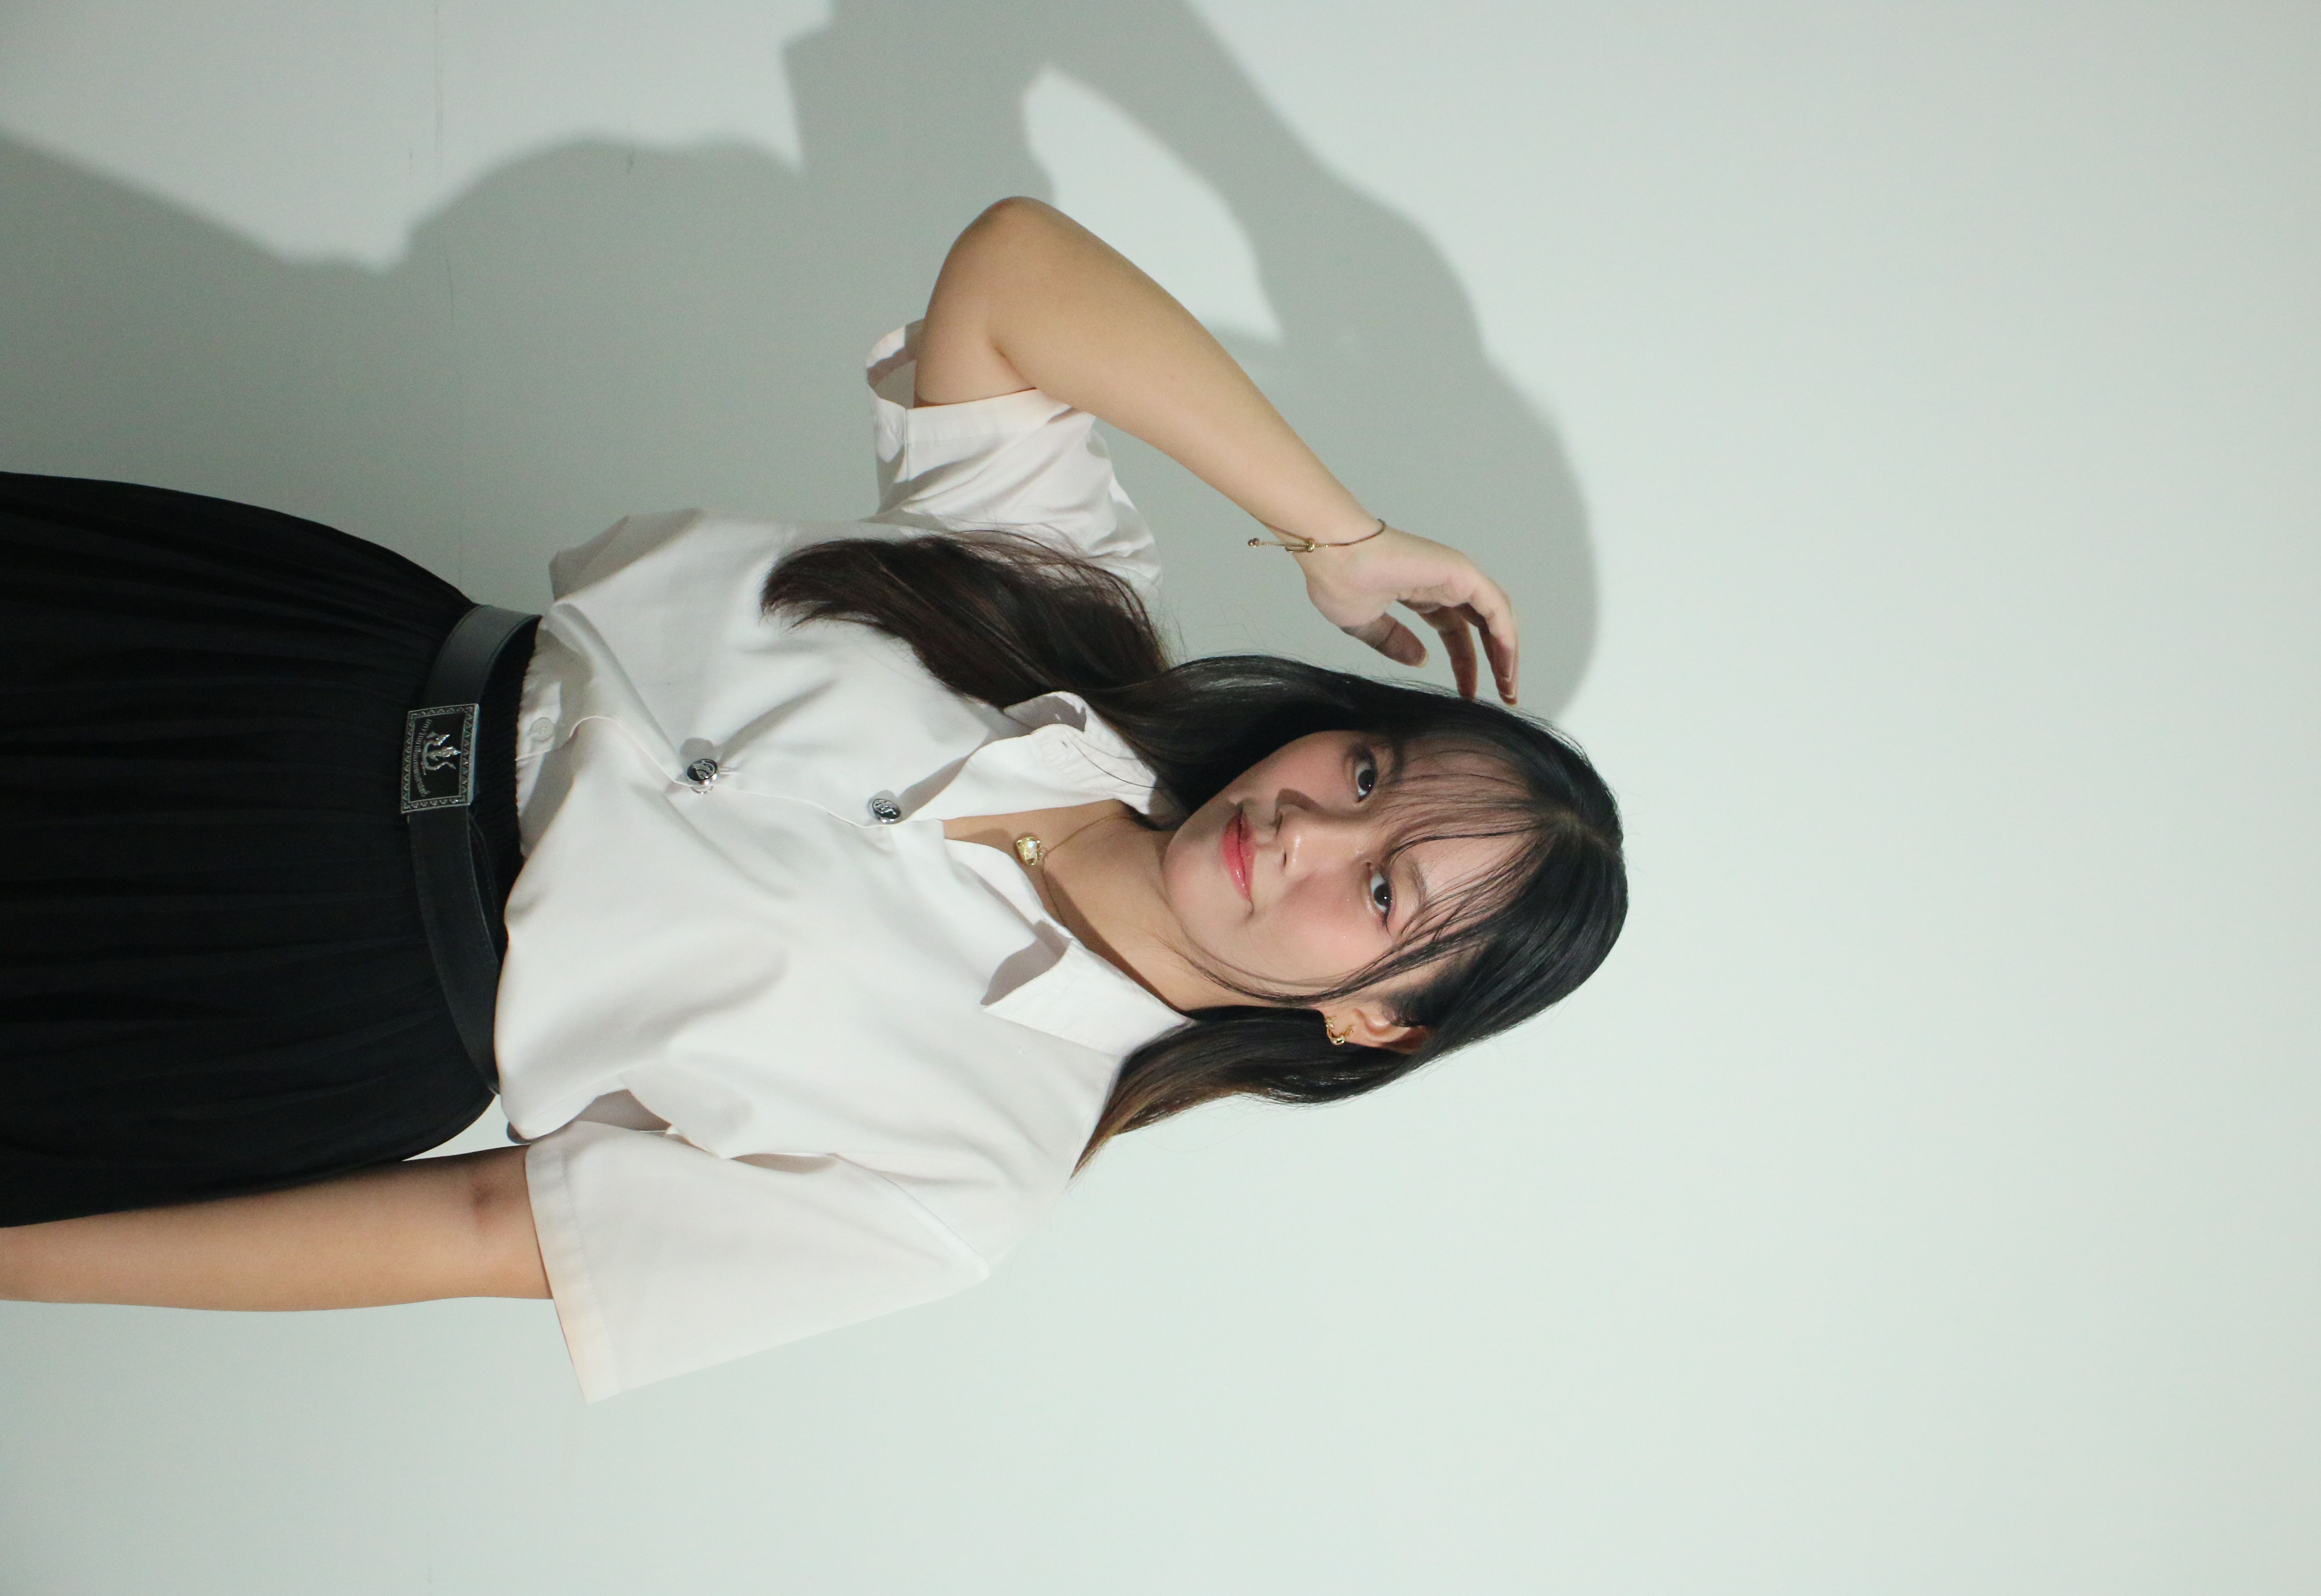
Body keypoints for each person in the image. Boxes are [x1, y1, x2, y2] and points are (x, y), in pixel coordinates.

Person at [0, 198, 1625, 1400]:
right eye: (1367, 771)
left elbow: (490, 1226)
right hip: (289, 651)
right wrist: (1342, 534)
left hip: (273, 986)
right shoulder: (1073, 608)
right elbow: (1012, 271)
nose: (1312, 830)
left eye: (1388, 892)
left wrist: (19, 1255)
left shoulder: (969, 1176)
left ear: (1377, 1023)